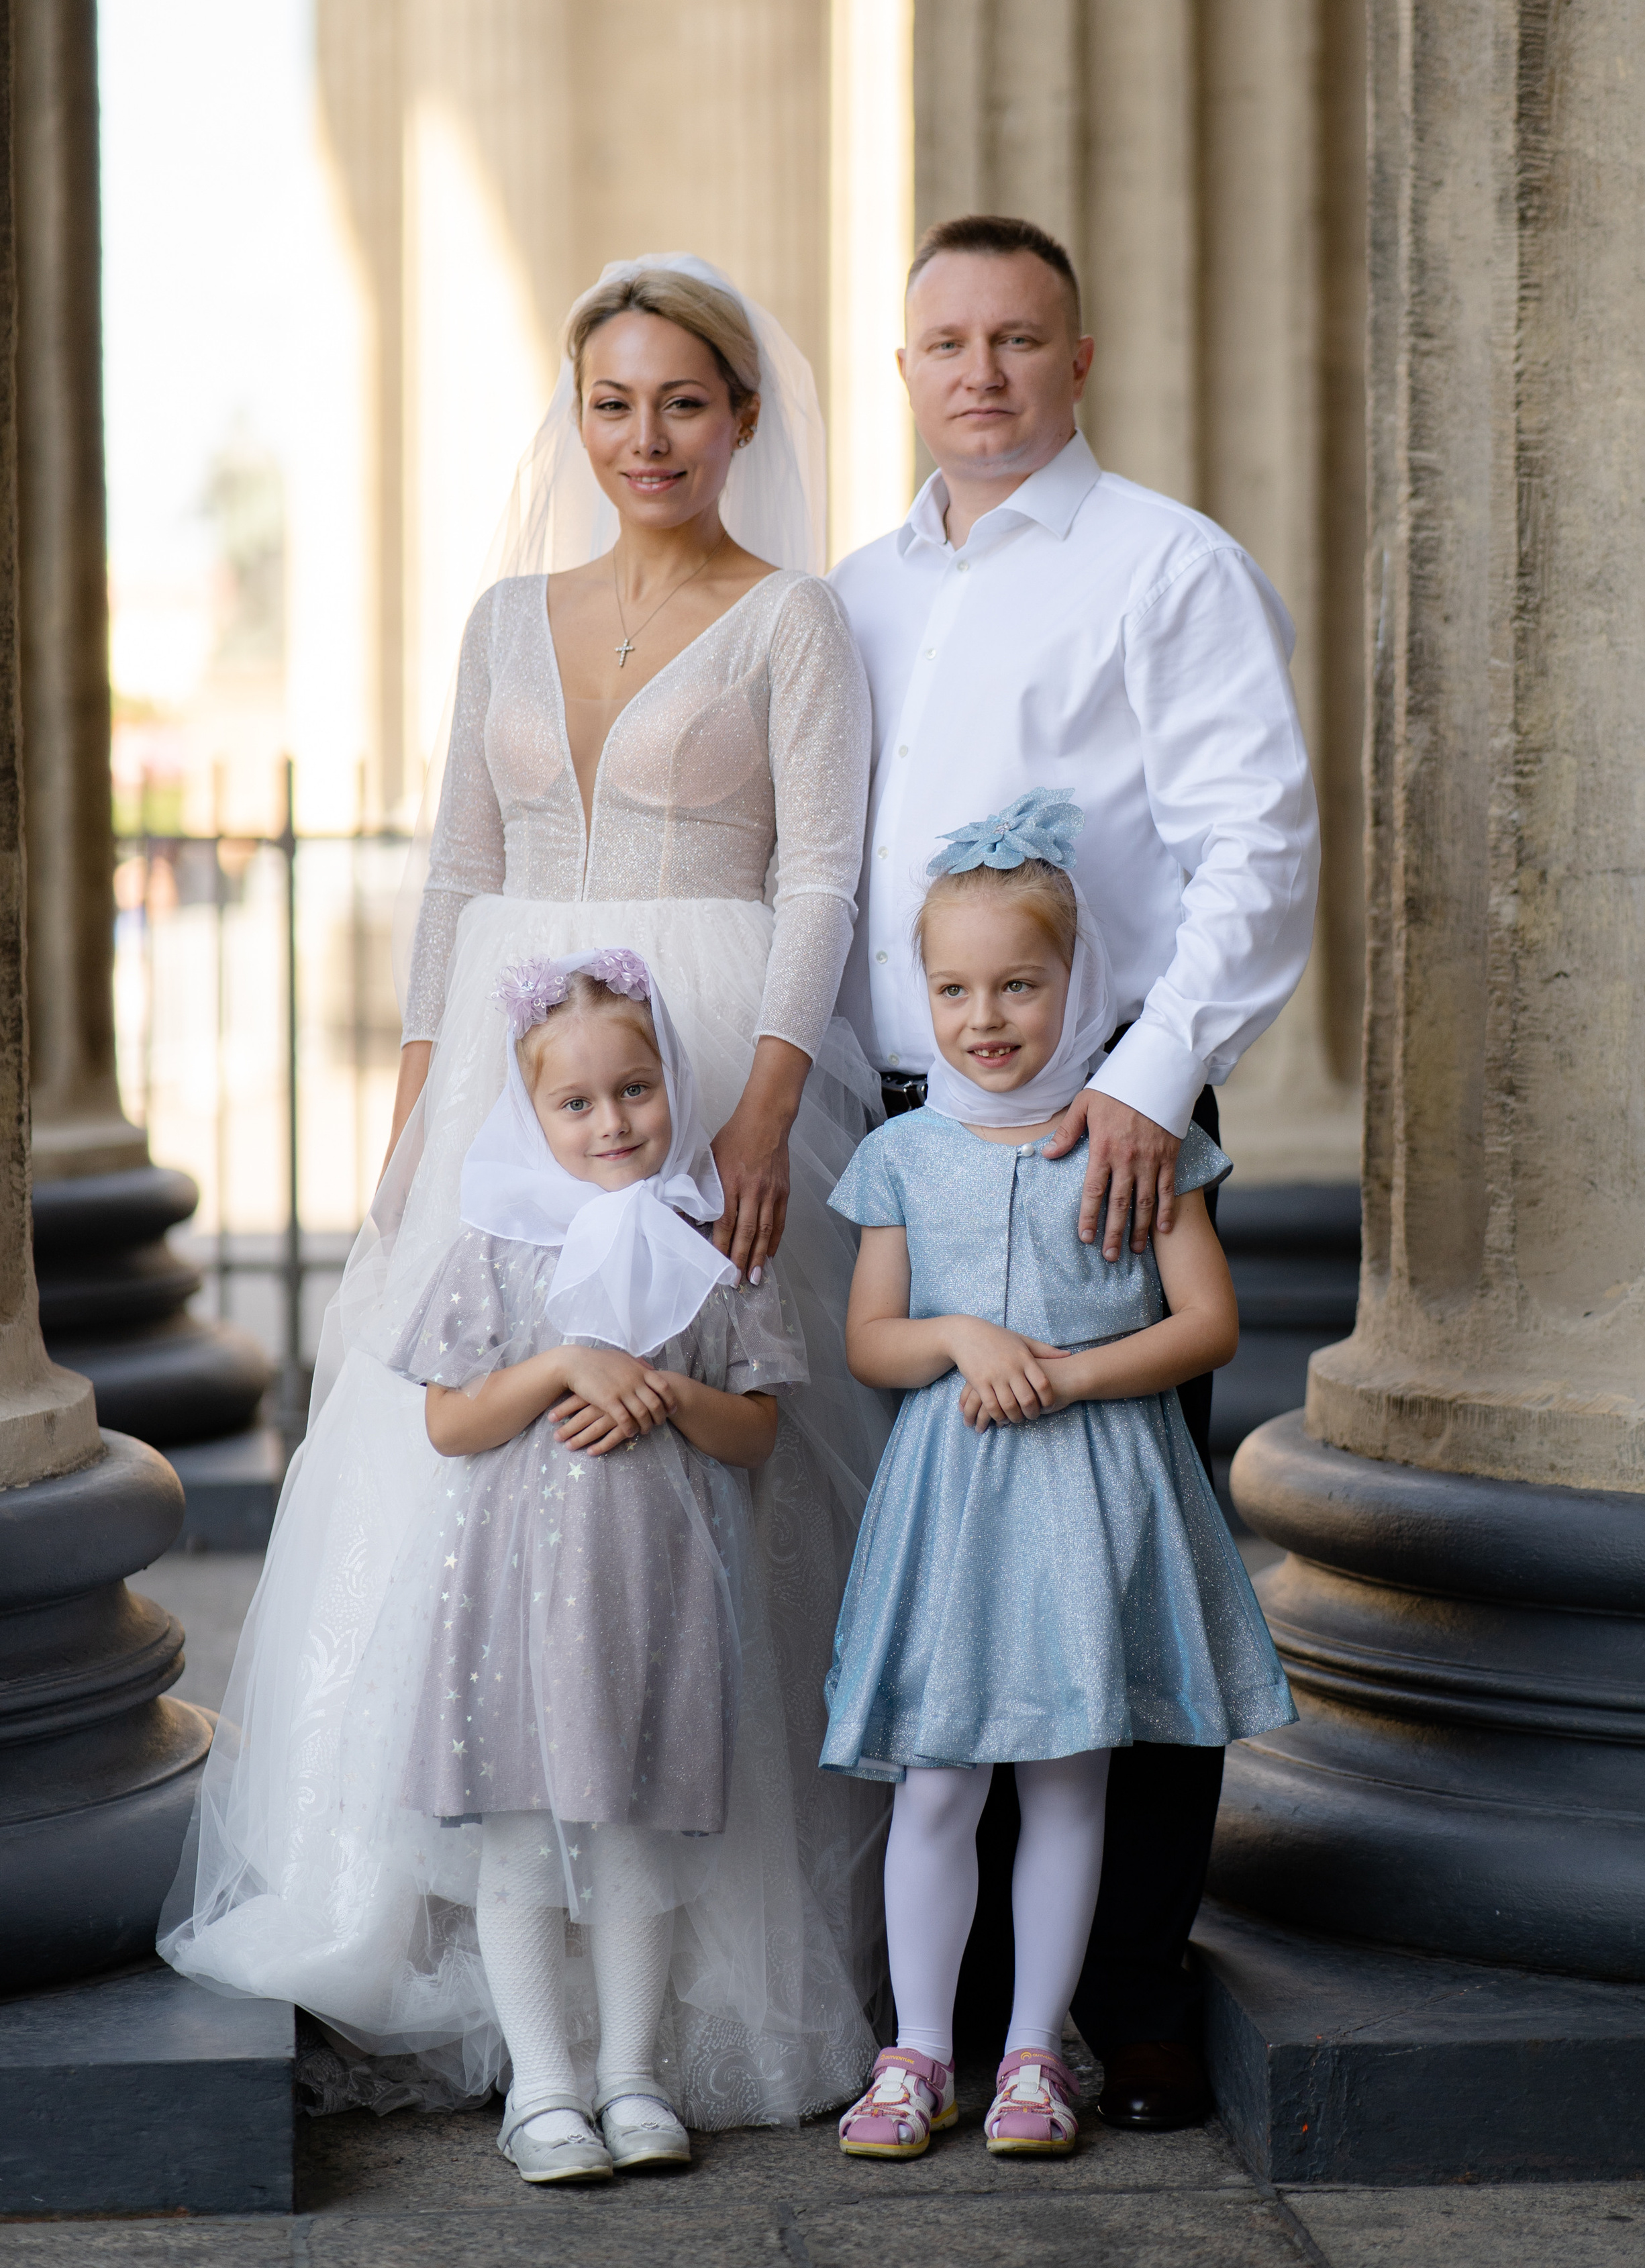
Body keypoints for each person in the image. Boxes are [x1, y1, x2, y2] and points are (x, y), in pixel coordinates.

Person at [161, 258, 893, 2129]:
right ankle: (457, 1909)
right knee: (461, 1468)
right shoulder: (503, 617)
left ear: (743, 418)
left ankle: (703, 1972)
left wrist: (765, 1106)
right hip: (515, 1061)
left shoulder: (793, 619)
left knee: (719, 1467)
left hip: (708, 1057)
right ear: (576, 419)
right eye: (612, 402)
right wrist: (416, 1123)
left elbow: (821, 877)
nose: (645, 438)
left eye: (683, 402)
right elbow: (454, 871)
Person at [831, 215, 1319, 2130]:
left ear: (1078, 358)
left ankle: (1131, 1988)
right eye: (946, 342)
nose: (982, 373)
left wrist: (1152, 1079)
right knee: (950, 1565)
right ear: (904, 370)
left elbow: (1253, 850)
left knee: (1133, 1547)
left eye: (1018, 340)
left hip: (1110, 1123)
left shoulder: (1166, 569)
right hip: (914, 1128)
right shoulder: (859, 593)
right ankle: (930, 2014)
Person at [821, 795, 1293, 2161]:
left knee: (1072, 1780)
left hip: (1095, 1494)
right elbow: (870, 1338)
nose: (986, 1017)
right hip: (956, 1504)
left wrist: (1074, 1372)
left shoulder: (1137, 1143)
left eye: (1019, 984)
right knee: (938, 1784)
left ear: (1075, 983)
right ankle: (918, 2050)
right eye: (954, 988)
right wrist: (964, 1339)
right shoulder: (902, 1157)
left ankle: (1037, 2053)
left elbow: (1205, 1325)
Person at [373, 948, 821, 2181]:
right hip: (518, 1596)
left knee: (636, 1834)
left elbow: (759, 1430)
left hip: (657, 1591)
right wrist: (568, 1365)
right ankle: (547, 2088)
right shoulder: (497, 1243)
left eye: (635, 1090)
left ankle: (631, 2076)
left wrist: (668, 1393)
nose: (611, 1122)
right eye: (574, 1103)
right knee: (521, 1833)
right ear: (531, 1113)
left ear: (670, 1083)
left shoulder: (712, 1240)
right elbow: (452, 1422)